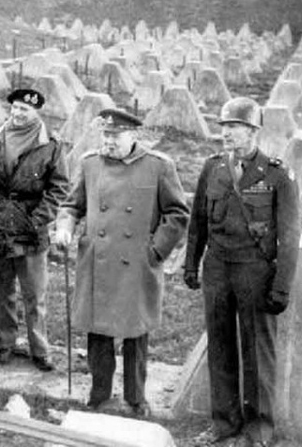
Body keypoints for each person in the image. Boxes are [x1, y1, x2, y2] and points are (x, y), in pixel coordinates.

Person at [55, 108, 189, 418]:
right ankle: (99, 393)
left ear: (133, 136)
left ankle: (136, 397)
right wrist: (64, 227)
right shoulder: (89, 163)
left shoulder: (158, 166)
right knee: (98, 330)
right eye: (105, 135)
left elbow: (177, 214)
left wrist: (154, 252)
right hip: (98, 260)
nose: (109, 141)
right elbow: (71, 205)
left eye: (115, 136)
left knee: (134, 333)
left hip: (136, 264)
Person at [184, 96, 300, 447]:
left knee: (257, 352)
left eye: (234, 127)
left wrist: (281, 287)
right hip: (218, 267)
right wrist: (191, 262)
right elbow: (198, 221)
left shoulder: (277, 175)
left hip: (254, 270)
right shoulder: (213, 167)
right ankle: (224, 425)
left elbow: (290, 236)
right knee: (220, 346)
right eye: (224, 127)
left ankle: (259, 431)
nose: (226, 133)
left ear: (253, 131)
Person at [0, 88, 69, 372]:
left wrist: (37, 219)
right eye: (14, 108)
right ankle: (4, 345)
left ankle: (40, 350)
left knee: (34, 294)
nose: (17, 114)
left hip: (30, 229)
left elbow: (59, 188)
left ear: (37, 112)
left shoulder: (50, 145)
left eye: (24, 110)